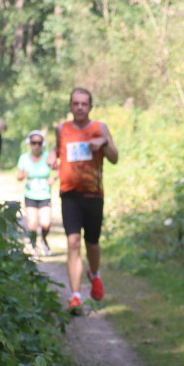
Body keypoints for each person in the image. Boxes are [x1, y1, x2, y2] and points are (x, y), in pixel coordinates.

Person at [49, 87, 119, 314]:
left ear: (90, 107)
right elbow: (56, 151)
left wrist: (104, 144)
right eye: (75, 103)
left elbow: (115, 158)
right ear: (70, 106)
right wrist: (52, 157)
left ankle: (95, 275)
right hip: (69, 194)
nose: (79, 107)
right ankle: (76, 296)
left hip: (93, 195)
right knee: (72, 242)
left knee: (92, 243)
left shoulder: (100, 128)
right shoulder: (62, 128)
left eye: (84, 104)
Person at [16, 130, 55, 257]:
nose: (36, 145)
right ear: (30, 143)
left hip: (45, 195)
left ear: (42, 144)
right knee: (32, 224)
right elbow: (19, 176)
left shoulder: (48, 156)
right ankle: (33, 247)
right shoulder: (24, 158)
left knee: (46, 223)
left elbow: (59, 168)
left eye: (39, 143)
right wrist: (23, 175)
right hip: (30, 195)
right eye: (34, 143)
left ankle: (44, 240)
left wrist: (53, 178)